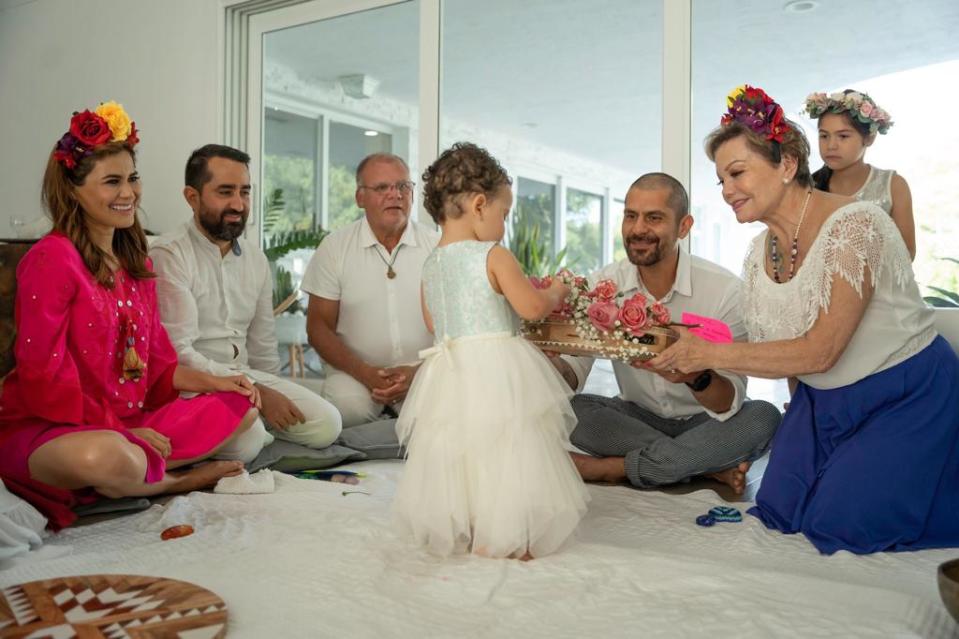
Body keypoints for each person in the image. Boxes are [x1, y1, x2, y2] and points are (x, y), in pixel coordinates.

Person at [651, 85, 959, 554]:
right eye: (721, 180)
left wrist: (708, 351)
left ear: (788, 165)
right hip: (821, 402)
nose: (727, 190)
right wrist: (690, 355)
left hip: (904, 396)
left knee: (839, 527)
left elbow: (821, 350)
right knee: (780, 511)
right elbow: (780, 353)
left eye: (737, 173)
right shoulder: (758, 254)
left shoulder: (857, 225)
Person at [0, 102, 264, 529]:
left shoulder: (133, 261)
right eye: (112, 182)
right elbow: (41, 378)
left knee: (243, 407)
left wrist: (215, 381)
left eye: (132, 179)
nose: (128, 194)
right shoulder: (52, 258)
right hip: (52, 429)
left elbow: (159, 365)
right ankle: (172, 482)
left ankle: (134, 473)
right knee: (108, 455)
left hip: (128, 422)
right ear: (73, 190)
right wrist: (120, 433)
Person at [392, 142, 589, 559]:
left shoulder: (431, 264)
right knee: (507, 447)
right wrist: (557, 289)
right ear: (480, 205)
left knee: (460, 450)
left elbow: (433, 323)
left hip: (450, 370)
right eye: (504, 213)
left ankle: (471, 523)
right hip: (497, 368)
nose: (504, 224)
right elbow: (532, 308)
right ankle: (507, 534)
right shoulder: (493, 254)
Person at [552, 173, 782, 495]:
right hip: (635, 419)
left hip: (706, 421)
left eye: (654, 218)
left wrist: (694, 376)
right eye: (630, 216)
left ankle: (613, 467)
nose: (637, 229)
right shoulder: (603, 287)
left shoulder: (724, 291)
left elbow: (727, 402)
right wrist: (550, 358)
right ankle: (704, 464)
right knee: (571, 411)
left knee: (763, 417)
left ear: (684, 227)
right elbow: (573, 374)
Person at [151, 144, 341, 450]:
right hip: (193, 384)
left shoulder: (256, 260)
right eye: (225, 192)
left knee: (327, 424)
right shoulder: (169, 254)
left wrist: (269, 390)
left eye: (245, 192)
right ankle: (250, 431)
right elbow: (178, 353)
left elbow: (263, 345)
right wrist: (258, 393)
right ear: (192, 197)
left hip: (246, 379)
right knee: (248, 441)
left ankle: (250, 428)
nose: (239, 204)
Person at [302, 153, 438, 427]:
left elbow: (454, 328)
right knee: (347, 408)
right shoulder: (334, 247)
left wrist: (417, 374)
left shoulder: (436, 246)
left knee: (433, 417)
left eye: (403, 186)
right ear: (360, 198)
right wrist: (364, 372)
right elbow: (318, 328)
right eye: (381, 188)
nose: (395, 195)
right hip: (354, 374)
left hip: (423, 372)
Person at [804, 89, 915, 259]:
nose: (831, 145)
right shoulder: (809, 188)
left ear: (869, 138)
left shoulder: (893, 186)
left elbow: (907, 253)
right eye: (824, 136)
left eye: (843, 136)